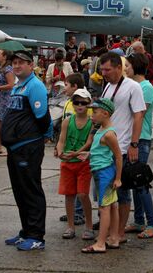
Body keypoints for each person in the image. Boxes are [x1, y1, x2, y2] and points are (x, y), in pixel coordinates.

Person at [2, 50, 52, 251]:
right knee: (20, 191)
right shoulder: (18, 85)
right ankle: (26, 231)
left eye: (21, 62)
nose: (16, 66)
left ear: (31, 65)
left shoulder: (35, 86)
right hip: (15, 148)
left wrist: (37, 137)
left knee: (31, 191)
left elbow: (43, 117)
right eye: (14, 62)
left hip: (27, 147)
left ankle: (36, 235)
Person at [99, 52, 145, 243]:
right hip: (105, 146)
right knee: (108, 192)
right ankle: (111, 231)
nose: (104, 73)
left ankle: (120, 233)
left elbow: (138, 115)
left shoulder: (133, 87)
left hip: (124, 146)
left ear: (119, 67)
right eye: (102, 70)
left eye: (107, 69)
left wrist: (134, 144)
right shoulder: (108, 86)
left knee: (123, 191)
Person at [81, 98, 123, 253]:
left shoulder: (109, 134)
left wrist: (118, 178)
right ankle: (113, 238)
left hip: (105, 173)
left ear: (105, 113)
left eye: (95, 112)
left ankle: (100, 243)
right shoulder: (100, 129)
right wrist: (88, 154)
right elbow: (101, 151)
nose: (91, 115)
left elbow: (118, 156)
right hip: (101, 171)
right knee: (112, 205)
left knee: (104, 208)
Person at [124, 53, 153, 238]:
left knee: (140, 181)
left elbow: (138, 113)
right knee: (133, 182)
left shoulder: (145, 87)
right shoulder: (135, 86)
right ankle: (138, 221)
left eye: (128, 65)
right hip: (132, 138)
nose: (125, 69)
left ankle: (151, 223)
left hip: (141, 139)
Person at [54, 88, 95, 241]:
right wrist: (59, 151)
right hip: (67, 163)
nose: (79, 106)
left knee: (83, 194)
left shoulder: (92, 123)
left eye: (83, 103)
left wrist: (76, 153)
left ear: (89, 104)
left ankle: (89, 226)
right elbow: (61, 140)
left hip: (83, 163)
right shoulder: (67, 121)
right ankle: (70, 226)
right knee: (69, 195)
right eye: (76, 102)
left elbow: (90, 142)